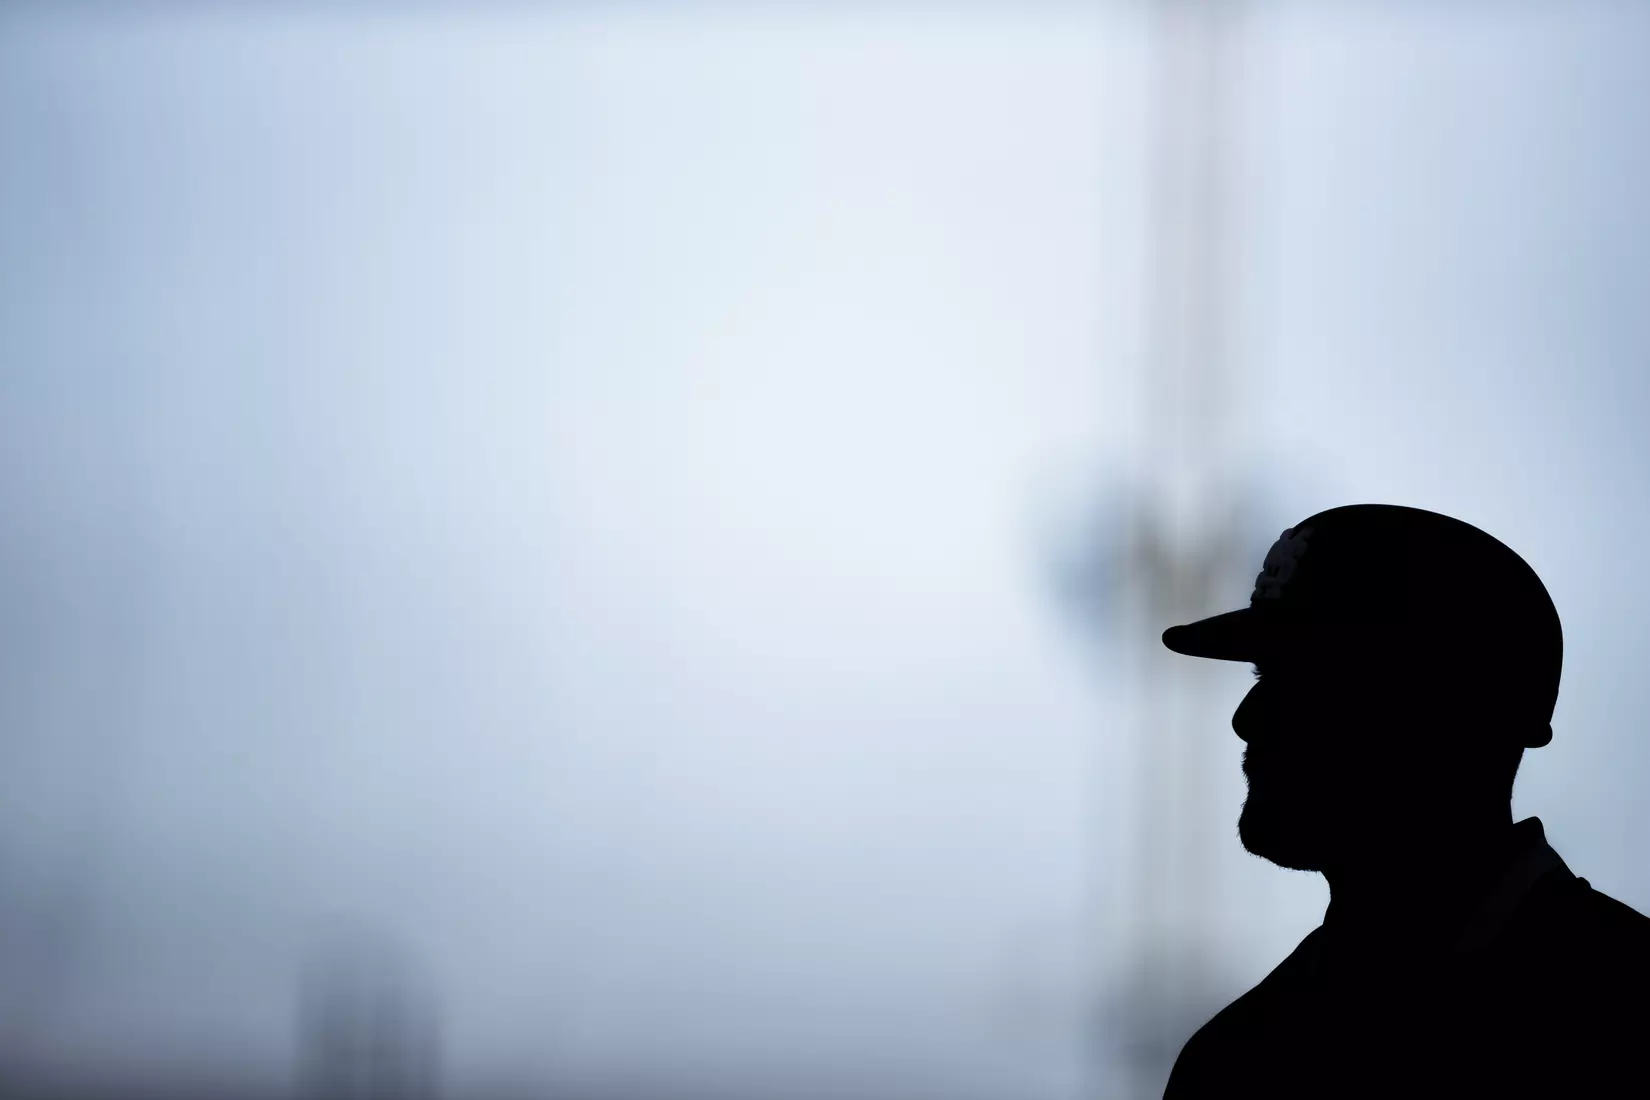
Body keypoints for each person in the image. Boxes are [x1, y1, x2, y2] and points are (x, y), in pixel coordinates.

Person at [1157, 503, 1650, 1098]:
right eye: (1264, 678)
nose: (1247, 719)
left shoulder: (1628, 1014)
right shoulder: (1236, 1059)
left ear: (1459, 712)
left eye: (1315, 683)